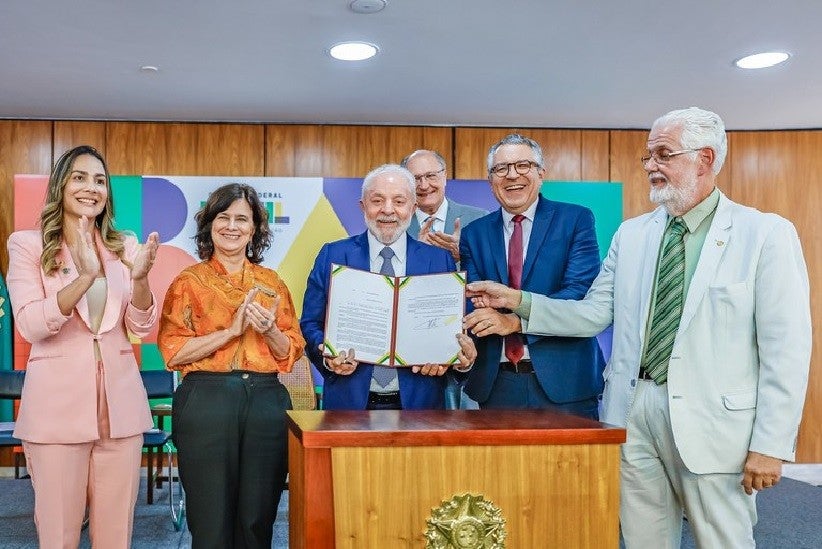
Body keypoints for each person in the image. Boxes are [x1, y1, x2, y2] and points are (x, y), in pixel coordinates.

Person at [464, 108, 812, 548]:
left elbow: (787, 347)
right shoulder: (632, 235)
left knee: (723, 540)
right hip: (632, 410)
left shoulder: (764, 234)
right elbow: (592, 314)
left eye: (663, 155)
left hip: (714, 425)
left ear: (703, 159)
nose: (650, 166)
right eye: (647, 156)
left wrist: (772, 442)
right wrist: (520, 301)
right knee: (641, 539)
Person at [7, 145, 159, 548]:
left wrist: (140, 279)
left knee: (115, 535)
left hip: (120, 407)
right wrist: (84, 277)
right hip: (56, 409)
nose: (91, 187)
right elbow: (30, 324)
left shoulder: (123, 246)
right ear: (61, 185)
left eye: (99, 179)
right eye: (79, 177)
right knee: (58, 533)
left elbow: (140, 325)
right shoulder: (27, 245)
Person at [157, 183, 305, 549]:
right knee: (210, 520)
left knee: (258, 518)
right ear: (209, 224)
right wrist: (230, 332)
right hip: (207, 399)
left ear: (255, 229)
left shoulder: (272, 283)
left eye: (242, 218)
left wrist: (270, 331)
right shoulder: (188, 282)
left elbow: (293, 349)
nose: (232, 226)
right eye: (223, 217)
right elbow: (173, 350)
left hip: (267, 400)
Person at [301, 164, 477, 410]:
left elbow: (459, 330)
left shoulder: (438, 260)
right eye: (377, 200)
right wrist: (328, 357)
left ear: (413, 208)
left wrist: (457, 360)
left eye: (399, 201)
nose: (387, 210)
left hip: (420, 407)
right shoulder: (333, 255)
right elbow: (310, 323)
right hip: (348, 405)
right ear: (363, 206)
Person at [459, 134, 604, 417]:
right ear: (491, 180)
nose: (512, 175)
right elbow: (473, 302)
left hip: (567, 384)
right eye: (501, 168)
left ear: (541, 173)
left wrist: (514, 322)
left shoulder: (576, 220)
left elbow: (578, 292)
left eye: (523, 165)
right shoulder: (473, 234)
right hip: (496, 385)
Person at [401, 149, 488, 409]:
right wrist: (413, 254)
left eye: (431, 175)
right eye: (415, 178)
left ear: (445, 176)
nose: (424, 185)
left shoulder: (479, 219)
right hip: (414, 352)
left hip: (470, 346)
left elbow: (496, 277)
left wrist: (464, 255)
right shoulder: (395, 224)